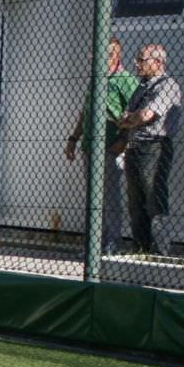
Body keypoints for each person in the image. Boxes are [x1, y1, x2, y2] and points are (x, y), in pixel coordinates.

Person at [62, 37, 136, 254]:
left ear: (114, 56)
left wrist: (123, 140)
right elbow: (85, 111)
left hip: (110, 146)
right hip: (89, 147)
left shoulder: (125, 80)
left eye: (102, 54)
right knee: (94, 198)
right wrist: (74, 138)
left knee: (110, 196)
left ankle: (113, 243)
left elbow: (134, 113)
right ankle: (95, 244)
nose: (95, 58)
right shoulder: (96, 79)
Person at [117, 43, 182, 256]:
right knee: (136, 201)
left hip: (154, 146)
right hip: (135, 146)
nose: (136, 64)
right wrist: (130, 120)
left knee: (154, 197)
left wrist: (130, 120)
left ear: (158, 62)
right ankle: (140, 248)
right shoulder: (142, 86)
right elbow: (127, 116)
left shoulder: (167, 85)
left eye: (141, 60)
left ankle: (159, 252)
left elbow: (146, 115)